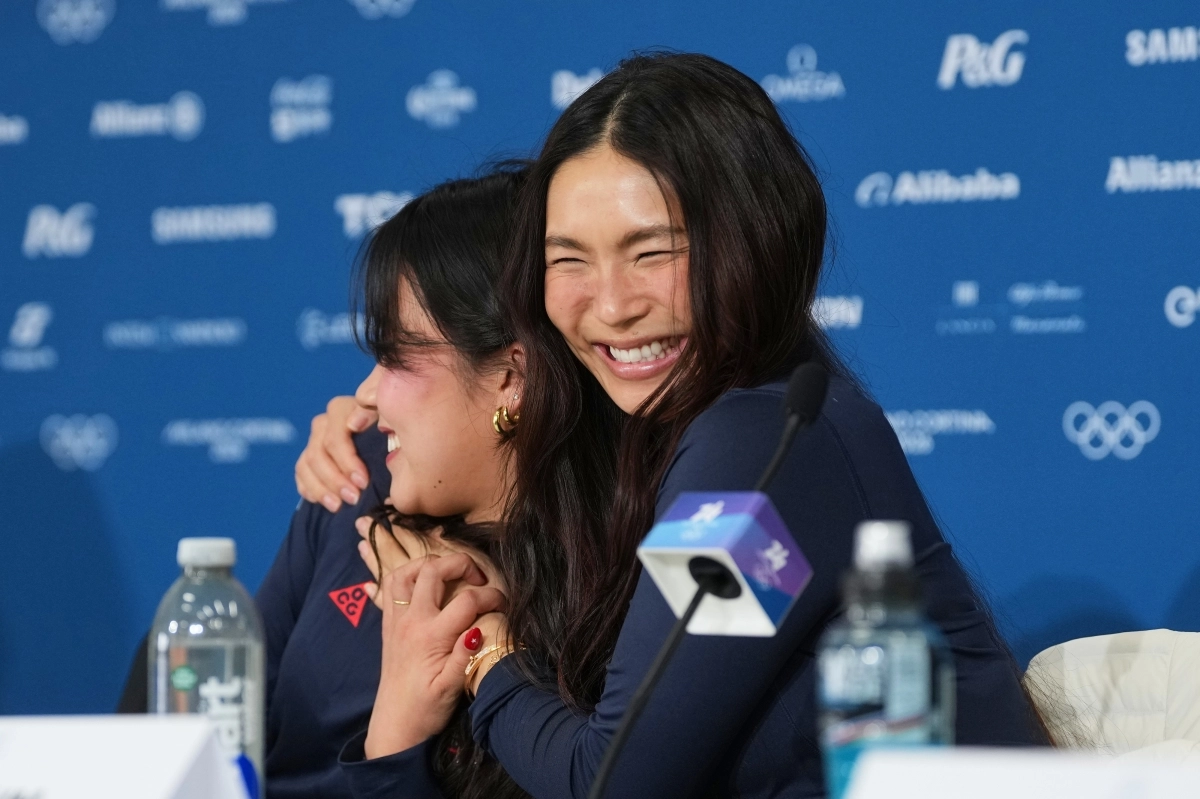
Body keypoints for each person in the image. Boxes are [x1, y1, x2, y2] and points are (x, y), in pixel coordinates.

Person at [329, 52, 1046, 799]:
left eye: (653, 252)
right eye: (569, 259)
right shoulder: (691, 426)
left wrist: (483, 649)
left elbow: (609, 783)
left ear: (755, 240)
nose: (611, 305)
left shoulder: (765, 450)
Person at [256, 166, 531, 798]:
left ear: (512, 378)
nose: (366, 394)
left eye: (398, 356)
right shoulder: (353, 478)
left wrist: (409, 718)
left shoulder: (610, 575)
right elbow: (209, 719)